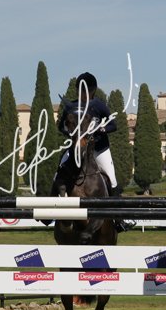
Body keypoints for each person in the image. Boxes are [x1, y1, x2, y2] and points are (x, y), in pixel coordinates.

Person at [49, 72, 135, 233]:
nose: (82, 94)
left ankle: (119, 220)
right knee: (57, 175)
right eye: (80, 91)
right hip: (77, 149)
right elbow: (61, 126)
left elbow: (113, 125)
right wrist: (70, 133)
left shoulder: (99, 105)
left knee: (112, 180)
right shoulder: (71, 107)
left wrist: (102, 129)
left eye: (86, 91)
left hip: (99, 149)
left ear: (92, 91)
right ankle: (48, 215)